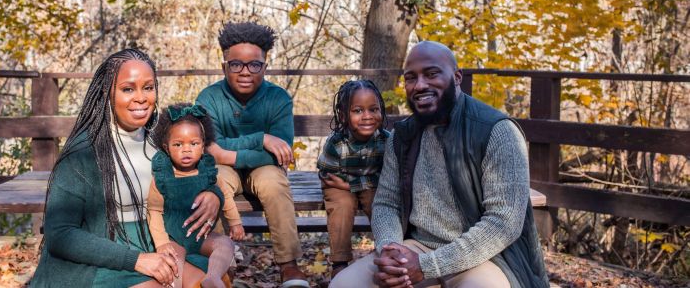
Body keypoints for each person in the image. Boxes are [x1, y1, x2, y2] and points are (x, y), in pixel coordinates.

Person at [331, 41, 549, 288]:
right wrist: (391, 250)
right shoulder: (402, 136)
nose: (419, 85)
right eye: (411, 78)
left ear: (457, 77)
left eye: (431, 74)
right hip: (415, 248)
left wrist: (427, 266)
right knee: (343, 285)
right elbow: (387, 203)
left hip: (485, 258)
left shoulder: (497, 131)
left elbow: (503, 223)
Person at [32, 49, 223, 288]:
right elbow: (60, 234)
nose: (141, 98)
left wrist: (213, 195)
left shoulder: (162, 142)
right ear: (107, 92)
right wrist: (137, 260)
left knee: (211, 280)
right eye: (128, 89)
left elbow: (197, 173)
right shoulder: (83, 154)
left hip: (156, 241)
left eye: (148, 87)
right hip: (101, 257)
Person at [196, 21, 309, 288]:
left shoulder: (278, 99)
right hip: (225, 170)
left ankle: (288, 264)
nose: (245, 72)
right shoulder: (208, 98)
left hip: (263, 169)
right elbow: (210, 149)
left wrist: (229, 154)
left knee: (274, 182)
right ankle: (223, 264)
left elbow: (281, 154)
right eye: (236, 64)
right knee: (214, 181)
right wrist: (261, 139)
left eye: (254, 65)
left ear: (265, 66)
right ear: (224, 66)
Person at [147, 103, 235, 288]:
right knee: (173, 263)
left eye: (193, 144)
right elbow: (154, 210)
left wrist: (235, 223)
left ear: (203, 146)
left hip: (202, 237)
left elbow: (225, 195)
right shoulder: (163, 177)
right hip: (174, 238)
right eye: (178, 144)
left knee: (225, 244)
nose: (186, 149)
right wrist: (161, 243)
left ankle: (213, 277)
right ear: (167, 147)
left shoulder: (208, 173)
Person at [317, 80, 389, 279]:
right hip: (338, 184)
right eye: (358, 111)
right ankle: (340, 262)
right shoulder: (336, 143)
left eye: (373, 109)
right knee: (342, 205)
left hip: (371, 183)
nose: (367, 116)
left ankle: (387, 251)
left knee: (380, 204)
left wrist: (353, 184)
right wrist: (348, 186)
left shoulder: (386, 141)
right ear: (343, 116)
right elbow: (327, 175)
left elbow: (390, 176)